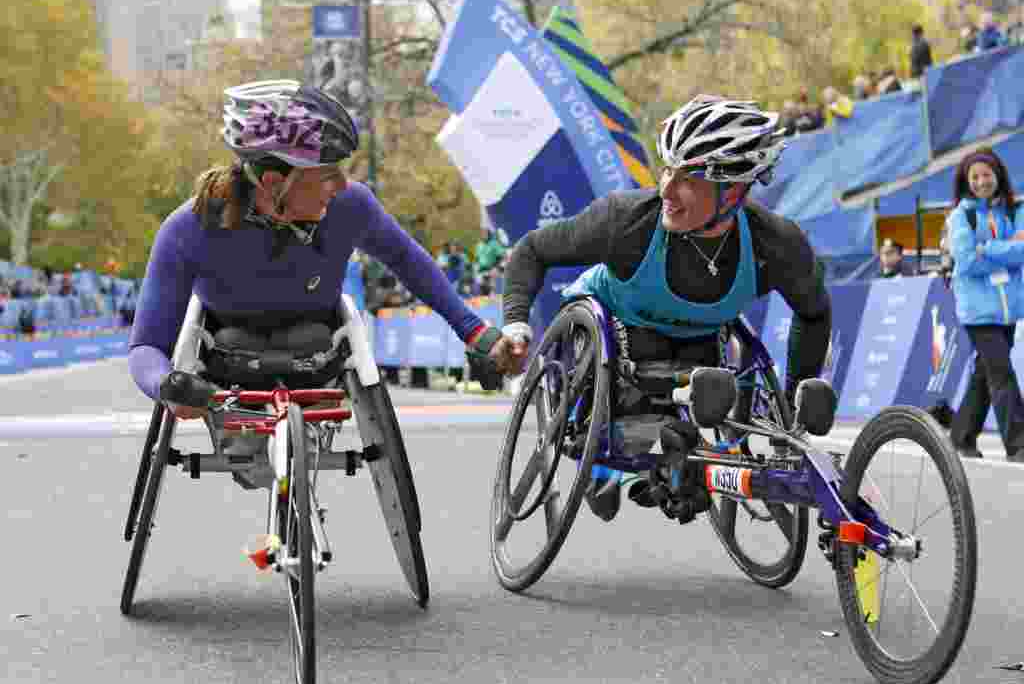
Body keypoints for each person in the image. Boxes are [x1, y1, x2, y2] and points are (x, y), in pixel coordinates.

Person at [129, 79, 525, 479]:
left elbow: (409, 261)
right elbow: (146, 345)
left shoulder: (351, 206)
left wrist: (476, 333)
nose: (340, 185)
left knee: (308, 353)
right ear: (272, 183)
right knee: (255, 459)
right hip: (230, 365)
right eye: (327, 174)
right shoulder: (188, 228)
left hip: (317, 353)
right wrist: (168, 385)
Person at [497, 95, 832, 521]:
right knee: (644, 399)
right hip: (611, 326)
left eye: (688, 178)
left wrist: (794, 407)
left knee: (706, 390)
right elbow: (531, 251)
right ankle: (610, 455)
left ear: (732, 192)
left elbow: (814, 312)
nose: (667, 190)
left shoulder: (776, 245)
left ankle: (674, 455)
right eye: (668, 169)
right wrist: (515, 324)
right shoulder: (626, 221)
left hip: (698, 344)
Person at [946, 149, 1024, 461]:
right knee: (1001, 372)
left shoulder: (1014, 209)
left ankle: (962, 436)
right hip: (977, 312)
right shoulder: (961, 215)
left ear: (998, 175)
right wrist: (1004, 252)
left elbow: (1022, 252)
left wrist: (986, 249)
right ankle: (1018, 444)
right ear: (966, 182)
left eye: (986, 175)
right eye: (974, 177)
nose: (981, 182)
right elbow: (965, 261)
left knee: (986, 372)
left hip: (1008, 309)